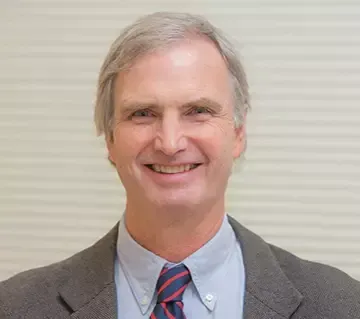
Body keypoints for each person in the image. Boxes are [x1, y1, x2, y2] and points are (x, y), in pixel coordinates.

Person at [0, 11, 359, 319]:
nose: (170, 143)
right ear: (109, 138)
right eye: (142, 113)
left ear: (237, 133)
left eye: (198, 111)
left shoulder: (343, 306)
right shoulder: (14, 307)